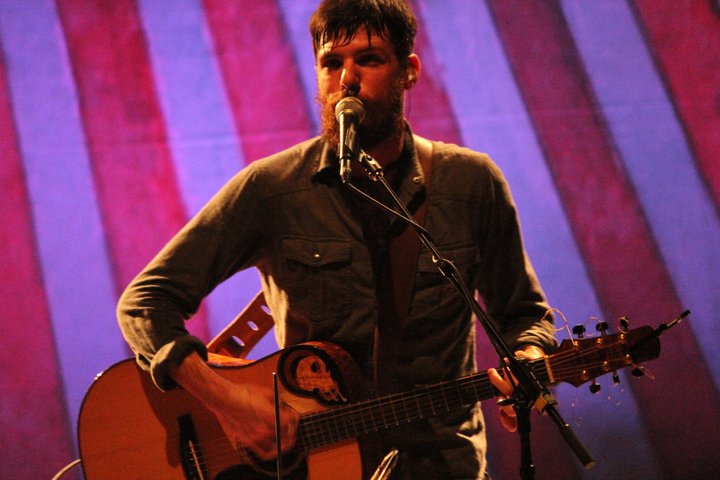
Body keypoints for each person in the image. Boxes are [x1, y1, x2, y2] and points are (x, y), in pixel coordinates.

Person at [117, 1, 556, 478]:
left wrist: (529, 358)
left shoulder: (470, 183)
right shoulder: (273, 188)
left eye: (368, 59)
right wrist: (229, 403)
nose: (347, 79)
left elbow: (523, 315)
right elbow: (144, 303)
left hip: (444, 465)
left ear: (409, 71)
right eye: (331, 63)